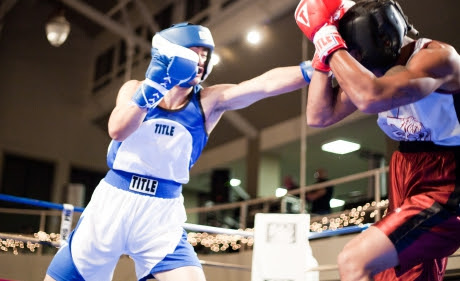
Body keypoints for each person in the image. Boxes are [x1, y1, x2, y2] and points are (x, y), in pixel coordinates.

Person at [44, 22, 313, 281]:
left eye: (205, 56)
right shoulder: (135, 88)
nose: (200, 62)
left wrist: (312, 69)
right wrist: (155, 85)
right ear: (169, 54)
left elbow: (262, 85)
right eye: (193, 54)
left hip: (161, 213)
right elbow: (117, 130)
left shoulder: (209, 101)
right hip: (114, 200)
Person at [294, 0, 460, 280]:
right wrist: (323, 55)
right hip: (406, 171)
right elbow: (319, 116)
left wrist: (329, 40)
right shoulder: (376, 69)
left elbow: (371, 97)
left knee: (355, 261)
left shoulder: (437, 58)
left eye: (354, 52)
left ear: (382, 41)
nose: (351, 60)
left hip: (449, 180)